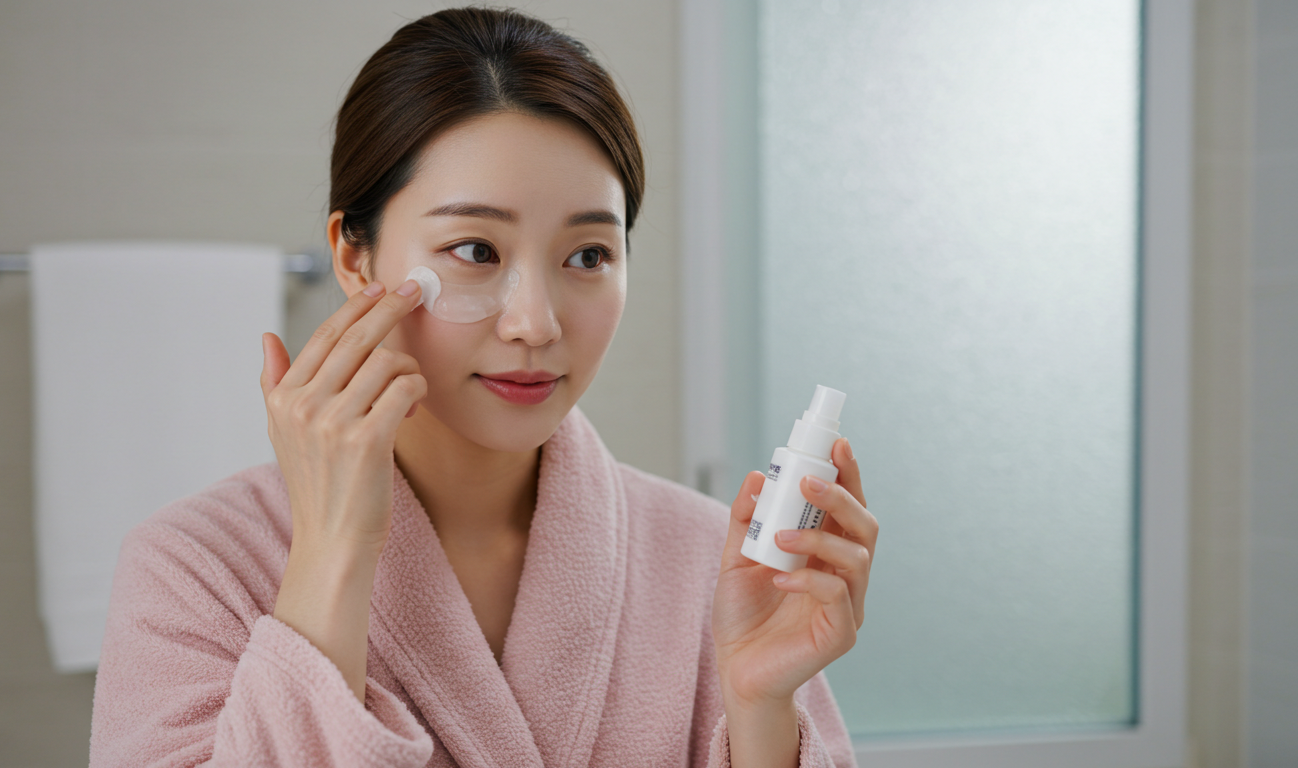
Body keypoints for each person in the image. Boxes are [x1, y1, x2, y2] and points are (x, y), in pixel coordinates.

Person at [89, 7, 876, 767]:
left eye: (589, 256)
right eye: (475, 250)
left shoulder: (714, 563)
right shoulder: (195, 569)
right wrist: (330, 553)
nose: (535, 323)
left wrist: (760, 708)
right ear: (355, 257)